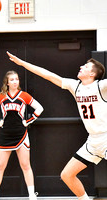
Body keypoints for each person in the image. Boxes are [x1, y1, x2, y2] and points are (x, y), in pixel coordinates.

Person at [7, 51, 107, 200]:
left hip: (105, 137)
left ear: (92, 74)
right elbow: (47, 75)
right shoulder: (75, 86)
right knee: (67, 175)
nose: (81, 66)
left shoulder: (101, 86)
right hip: (92, 141)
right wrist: (22, 64)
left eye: (85, 66)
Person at [0, 70, 43, 200]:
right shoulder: (1, 96)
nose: (15, 82)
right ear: (7, 82)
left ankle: (32, 194)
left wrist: (27, 121)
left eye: (16, 79)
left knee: (26, 165)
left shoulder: (24, 95)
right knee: (0, 166)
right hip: (5, 135)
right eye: (12, 80)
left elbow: (39, 108)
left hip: (21, 134)